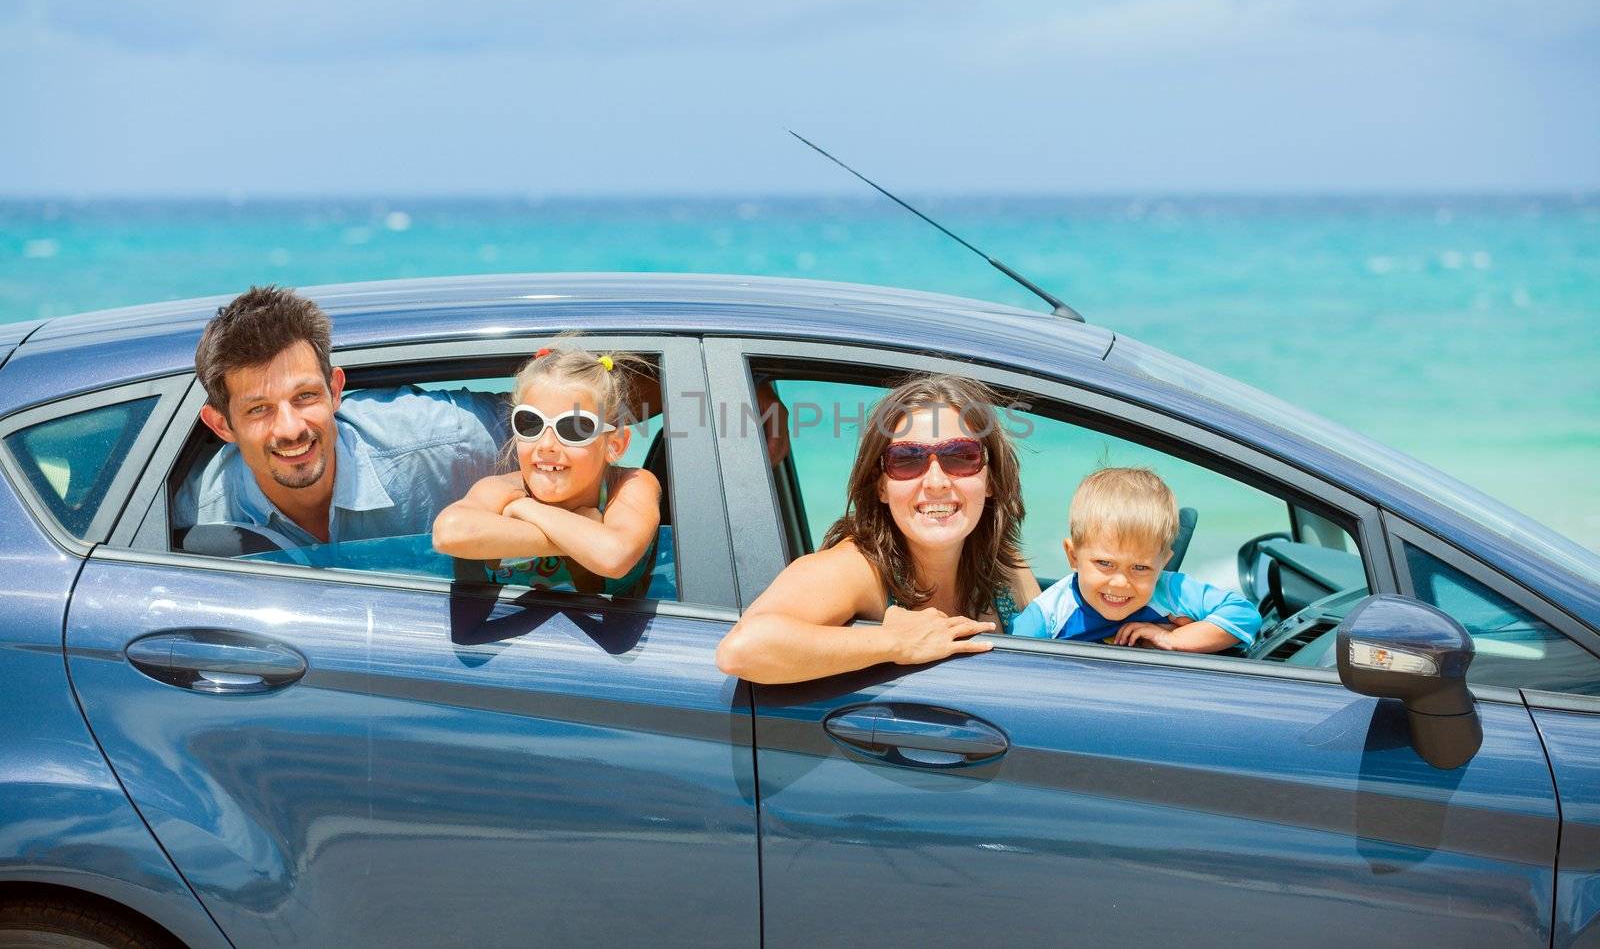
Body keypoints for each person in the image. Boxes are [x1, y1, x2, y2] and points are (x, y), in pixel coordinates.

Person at [716, 374, 1037, 684]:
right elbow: (742, 650)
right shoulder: (859, 567)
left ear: (991, 478)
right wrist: (893, 642)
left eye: (961, 457)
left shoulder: (1005, 571)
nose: (937, 482)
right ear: (881, 485)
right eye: (907, 460)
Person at [174, 285, 505, 547]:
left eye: (305, 396)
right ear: (221, 424)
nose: (290, 429)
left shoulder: (444, 439)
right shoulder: (190, 515)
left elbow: (546, 425)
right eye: (259, 409)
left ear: (335, 391)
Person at [431, 343, 662, 596]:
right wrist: (582, 529)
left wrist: (525, 509)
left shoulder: (630, 485)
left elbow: (614, 556)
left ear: (614, 444)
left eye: (574, 428)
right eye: (530, 423)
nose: (547, 444)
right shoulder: (502, 489)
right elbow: (449, 533)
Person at [1010, 467, 1260, 651]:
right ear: (1073, 556)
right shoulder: (1050, 612)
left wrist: (1174, 640)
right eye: (1104, 563)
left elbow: (1244, 615)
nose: (1120, 582)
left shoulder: (1171, 591)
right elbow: (1009, 661)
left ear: (1163, 563)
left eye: (1140, 567)